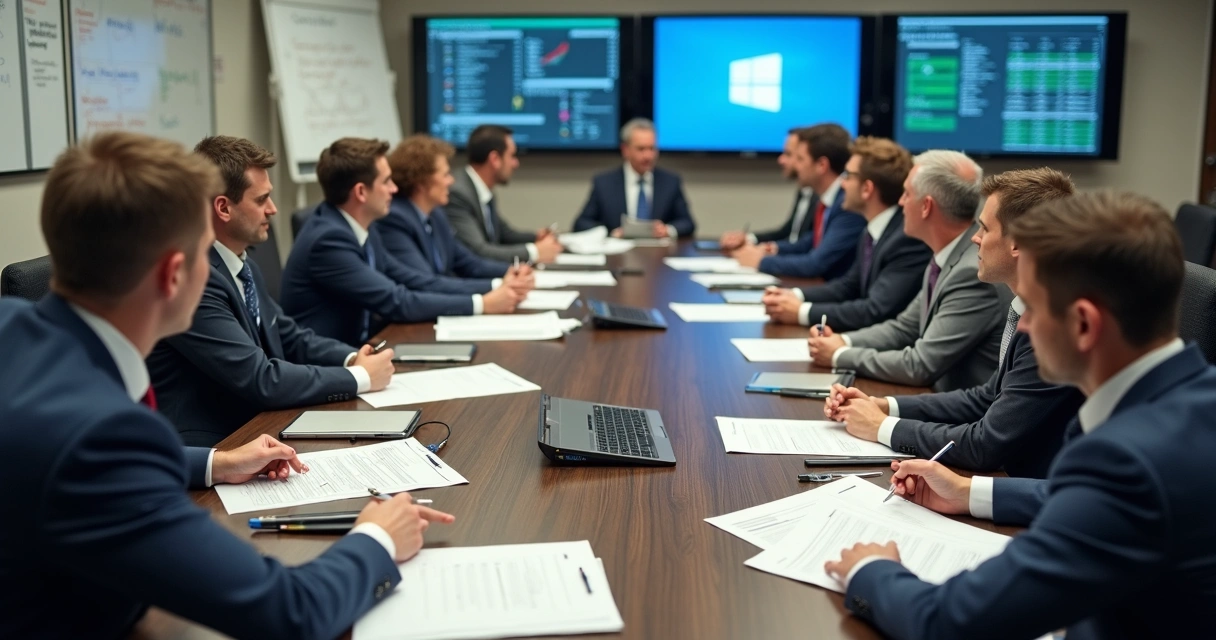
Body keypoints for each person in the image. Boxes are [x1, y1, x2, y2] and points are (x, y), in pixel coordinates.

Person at [0, 131, 454, 639]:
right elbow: (289, 613)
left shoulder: (11, 325)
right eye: (203, 251)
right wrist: (378, 538)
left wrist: (217, 462)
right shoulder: (102, 438)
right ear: (174, 275)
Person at [825, 191, 1216, 640]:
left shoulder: (1124, 460)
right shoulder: (1193, 399)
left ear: (1084, 324)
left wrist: (871, 569)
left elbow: (948, 623)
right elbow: (1087, 499)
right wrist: (970, 492)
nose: (1022, 326)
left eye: (1033, 306)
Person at [822, 168, 1085, 478]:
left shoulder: (1051, 324)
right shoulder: (1031, 306)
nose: (975, 237)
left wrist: (882, 427)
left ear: (1018, 244)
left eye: (985, 229)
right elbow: (986, 398)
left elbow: (985, 445)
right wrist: (885, 406)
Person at [146, 136, 396, 447]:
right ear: (223, 208)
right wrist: (360, 378)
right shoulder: (196, 277)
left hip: (257, 426)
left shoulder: (241, 261)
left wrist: (351, 358)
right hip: (217, 443)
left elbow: (289, 335)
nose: (273, 209)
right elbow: (259, 378)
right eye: (261, 199)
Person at [282, 138, 520, 345]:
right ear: (361, 192)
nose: (394, 189)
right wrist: (481, 304)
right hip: (329, 366)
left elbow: (412, 280)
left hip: (364, 349)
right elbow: (397, 301)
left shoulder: (364, 227)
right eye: (386, 182)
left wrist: (493, 287)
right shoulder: (328, 241)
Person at [808, 150, 1007, 392]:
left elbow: (919, 365)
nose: (900, 202)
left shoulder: (971, 273)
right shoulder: (946, 254)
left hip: (960, 414)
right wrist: (843, 341)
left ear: (926, 206)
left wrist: (839, 355)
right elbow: (904, 327)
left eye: (907, 194)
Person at [762, 136, 930, 330]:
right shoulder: (872, 230)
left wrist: (801, 312)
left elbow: (875, 310)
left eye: (848, 176)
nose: (842, 184)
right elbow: (848, 286)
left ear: (867, 189)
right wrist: (794, 296)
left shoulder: (906, 239)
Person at [376, 134, 535, 298]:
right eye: (445, 175)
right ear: (422, 181)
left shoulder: (436, 214)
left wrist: (511, 272)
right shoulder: (395, 219)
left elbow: (469, 263)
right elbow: (426, 283)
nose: (451, 181)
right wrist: (497, 285)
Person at [731, 123, 867, 278]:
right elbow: (811, 242)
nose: (796, 165)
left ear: (822, 165)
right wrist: (772, 249)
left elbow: (815, 263)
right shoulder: (826, 199)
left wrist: (761, 261)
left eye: (800, 159)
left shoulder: (847, 204)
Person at [445, 124, 563, 263]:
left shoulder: (482, 190)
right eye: (512, 156)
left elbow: (504, 234)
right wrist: (535, 252)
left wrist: (536, 237)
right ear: (495, 159)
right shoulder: (458, 193)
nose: (515, 163)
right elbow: (478, 251)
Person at [572, 117, 696, 238]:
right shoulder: (604, 183)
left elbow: (688, 223)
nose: (648, 156)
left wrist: (668, 230)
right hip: (618, 254)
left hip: (658, 253)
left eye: (652, 148)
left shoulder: (670, 182)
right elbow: (581, 224)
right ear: (625, 150)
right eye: (641, 149)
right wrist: (611, 233)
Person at [718, 127, 818, 249]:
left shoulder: (822, 197)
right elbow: (788, 233)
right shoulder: (805, 190)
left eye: (789, 154)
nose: (781, 160)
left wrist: (768, 251)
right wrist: (748, 239)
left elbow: (808, 245)